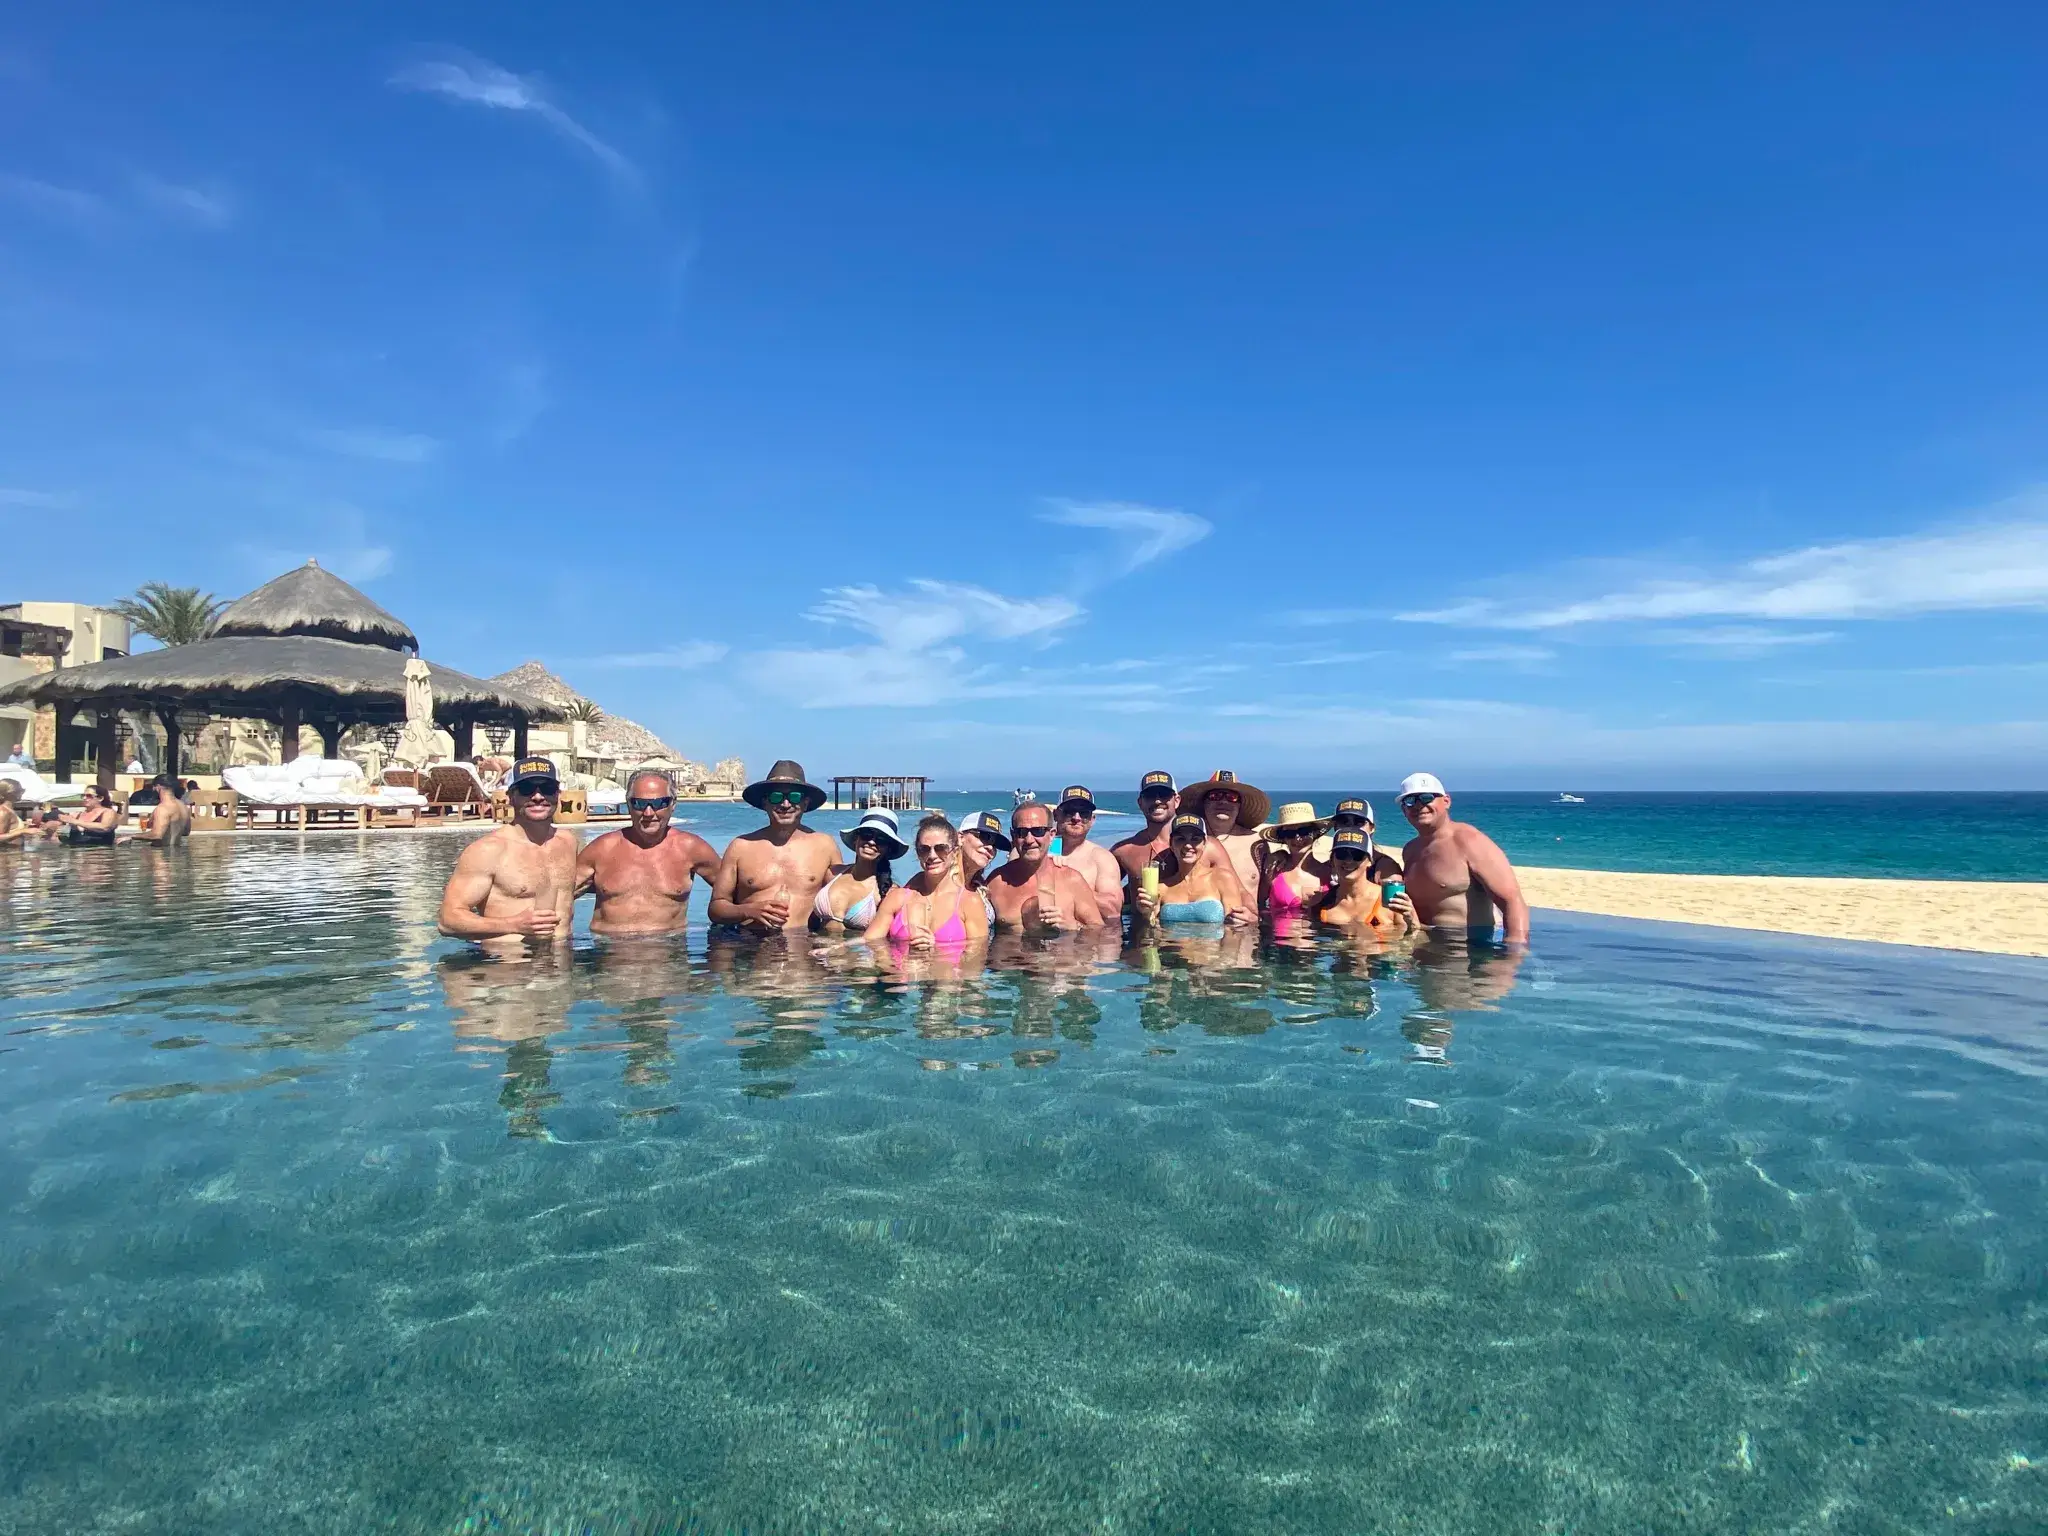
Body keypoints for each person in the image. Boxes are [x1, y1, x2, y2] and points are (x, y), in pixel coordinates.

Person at [437, 756, 580, 950]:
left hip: (562, 962)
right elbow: (448, 920)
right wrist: (514, 924)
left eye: (546, 789)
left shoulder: (567, 842)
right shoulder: (488, 851)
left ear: (558, 794)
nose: (538, 797)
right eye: (526, 789)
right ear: (511, 796)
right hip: (507, 967)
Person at [575, 769, 720, 937]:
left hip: (669, 954)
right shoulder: (602, 849)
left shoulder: (691, 848)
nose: (649, 813)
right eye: (639, 804)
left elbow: (735, 893)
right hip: (608, 952)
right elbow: (558, 895)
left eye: (659, 803)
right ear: (628, 804)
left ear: (673, 804)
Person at [706, 759, 840, 934]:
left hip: (802, 945)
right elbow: (716, 908)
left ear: (805, 803)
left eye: (794, 797)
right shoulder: (741, 847)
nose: (785, 805)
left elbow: (840, 900)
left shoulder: (825, 845)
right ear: (765, 803)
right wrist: (749, 910)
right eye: (777, 797)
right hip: (751, 945)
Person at [1397, 772, 1530, 945]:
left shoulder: (1469, 841)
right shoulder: (1410, 850)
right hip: (1425, 947)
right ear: (1403, 810)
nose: (1419, 805)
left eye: (1426, 798)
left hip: (1470, 948)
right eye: (1410, 800)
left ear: (1446, 801)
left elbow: (1512, 900)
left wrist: (1514, 950)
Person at [866, 813, 990, 950]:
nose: (932, 856)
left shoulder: (969, 902)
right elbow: (870, 942)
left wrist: (935, 951)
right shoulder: (897, 898)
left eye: (941, 849)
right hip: (898, 971)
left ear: (954, 852)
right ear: (918, 853)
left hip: (946, 971)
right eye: (924, 849)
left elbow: (975, 960)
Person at [982, 801, 1105, 931]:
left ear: (1052, 834)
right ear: (1013, 836)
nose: (1029, 840)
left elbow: (1099, 930)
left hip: (1060, 950)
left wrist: (1073, 925)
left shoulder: (1072, 880)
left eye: (1038, 831)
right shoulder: (996, 882)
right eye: (1022, 832)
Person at [1131, 814, 1254, 927]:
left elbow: (1234, 930)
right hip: (1170, 950)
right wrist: (1145, 914)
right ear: (1172, 845)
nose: (1188, 845)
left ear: (1204, 844)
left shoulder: (1222, 878)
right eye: (1180, 839)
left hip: (1213, 951)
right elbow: (1151, 932)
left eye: (1195, 839)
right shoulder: (1161, 888)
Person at [1179, 769, 1271, 895]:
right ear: (1204, 803)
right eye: (1215, 796)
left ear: (1239, 805)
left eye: (1231, 797)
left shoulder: (1256, 843)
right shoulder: (1184, 840)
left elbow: (1268, 893)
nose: (1223, 802)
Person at [813, 808, 905, 931]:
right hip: (816, 948)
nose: (872, 842)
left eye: (881, 839)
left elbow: (884, 937)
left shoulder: (890, 892)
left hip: (859, 951)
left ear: (888, 848)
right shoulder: (832, 874)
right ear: (856, 838)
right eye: (867, 835)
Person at [1316, 827, 1415, 933]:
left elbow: (1416, 938)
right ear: (1332, 860)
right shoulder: (1322, 902)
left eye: (1357, 855)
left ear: (1370, 861)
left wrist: (1411, 922)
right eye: (1342, 854)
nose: (1349, 861)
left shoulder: (1390, 900)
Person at [1051, 785, 1123, 922]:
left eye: (1084, 813)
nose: (1076, 818)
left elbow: (1113, 910)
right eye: (1069, 811)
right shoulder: (1038, 851)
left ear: (1092, 820)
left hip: (1087, 940)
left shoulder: (1101, 858)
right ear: (1056, 815)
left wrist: (1073, 886)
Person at [1257, 802, 1328, 921]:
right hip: (1279, 939)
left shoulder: (1330, 872)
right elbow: (1260, 904)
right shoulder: (1273, 870)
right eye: (1290, 833)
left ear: (1315, 833)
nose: (1297, 838)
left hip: (1320, 939)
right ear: (1283, 838)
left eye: (1304, 831)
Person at [1322, 796, 1405, 885]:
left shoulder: (1385, 868)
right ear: (1335, 828)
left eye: (1359, 822)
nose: (1351, 827)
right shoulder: (1326, 867)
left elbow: (1393, 897)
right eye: (1344, 822)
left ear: (1372, 828)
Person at [957, 809, 1009, 889]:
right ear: (960, 837)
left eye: (995, 844)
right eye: (984, 837)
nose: (990, 847)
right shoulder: (937, 881)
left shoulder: (982, 891)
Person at [55, 784, 122, 845]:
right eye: (83, 796)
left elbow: (104, 827)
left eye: (89, 796)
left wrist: (75, 821)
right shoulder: (77, 815)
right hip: (77, 854)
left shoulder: (108, 812)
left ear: (100, 798)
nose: (84, 798)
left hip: (100, 854)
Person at [136, 774, 191, 845]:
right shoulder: (184, 807)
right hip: (177, 852)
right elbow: (186, 832)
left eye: (154, 787)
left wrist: (131, 836)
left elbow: (156, 835)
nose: (153, 789)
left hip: (161, 853)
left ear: (158, 787)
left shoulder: (162, 808)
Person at [0, 781, 24, 847]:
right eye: (20, 790)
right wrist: (23, 831)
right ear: (10, 793)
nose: (22, 792)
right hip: (5, 855)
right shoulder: (3, 812)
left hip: (13, 854)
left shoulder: (9, 810)